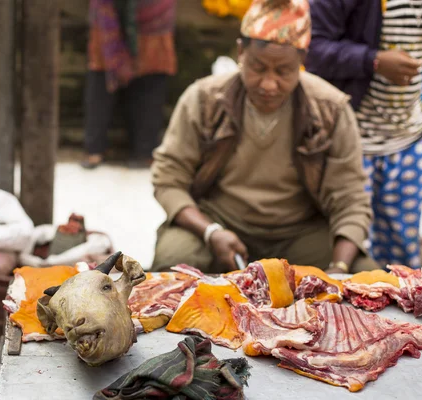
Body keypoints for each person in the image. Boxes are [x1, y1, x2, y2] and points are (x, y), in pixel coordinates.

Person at [150, 0, 374, 274]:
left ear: (302, 60)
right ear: (241, 51)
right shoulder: (204, 99)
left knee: (363, 276)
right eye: (257, 68)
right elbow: (168, 179)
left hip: (300, 233)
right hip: (219, 222)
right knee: (171, 265)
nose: (269, 84)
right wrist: (210, 232)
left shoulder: (330, 109)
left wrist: (338, 270)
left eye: (283, 71)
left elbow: (350, 197)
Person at [306, 0, 422, 268]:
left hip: (408, 145)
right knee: (347, 250)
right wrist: (374, 61)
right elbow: (314, 48)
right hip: (350, 147)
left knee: (402, 258)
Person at [82, 0, 177, 169]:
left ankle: (145, 150)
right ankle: (94, 148)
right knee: (101, 76)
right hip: (108, 13)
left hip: (154, 14)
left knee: (152, 75)